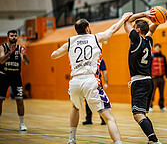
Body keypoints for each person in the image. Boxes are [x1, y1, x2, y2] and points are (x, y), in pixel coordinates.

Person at [51, 12, 133, 144]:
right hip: (90, 80)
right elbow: (112, 30)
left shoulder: (70, 42)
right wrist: (123, 18)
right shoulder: (95, 38)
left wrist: (64, 51)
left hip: (75, 82)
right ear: (87, 28)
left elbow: (54, 55)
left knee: (75, 107)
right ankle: (118, 142)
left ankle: (71, 139)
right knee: (109, 118)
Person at [124, 9, 162, 144]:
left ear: (138, 30)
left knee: (138, 114)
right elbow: (151, 29)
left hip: (140, 82)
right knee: (142, 114)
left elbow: (127, 21)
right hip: (147, 81)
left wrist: (145, 14)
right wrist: (158, 21)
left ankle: (154, 140)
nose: (132, 29)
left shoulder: (136, 40)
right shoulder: (149, 41)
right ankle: (152, 139)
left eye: (134, 28)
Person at [0, 30, 30, 131]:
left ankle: (22, 123)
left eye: (15, 36)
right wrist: (10, 53)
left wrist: (24, 55)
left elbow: (26, 63)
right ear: (8, 37)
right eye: (12, 36)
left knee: (20, 101)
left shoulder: (20, 48)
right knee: (0, 100)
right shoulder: (2, 47)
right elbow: (1, 60)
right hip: (3, 76)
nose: (14, 37)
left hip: (16, 77)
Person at [83, 58, 108, 125]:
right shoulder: (98, 59)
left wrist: (106, 82)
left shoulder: (98, 60)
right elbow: (104, 72)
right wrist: (106, 83)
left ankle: (102, 119)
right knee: (90, 100)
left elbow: (104, 71)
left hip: (94, 83)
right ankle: (89, 119)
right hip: (90, 82)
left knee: (96, 100)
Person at [149, 43, 167, 112]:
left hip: (161, 77)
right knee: (152, 92)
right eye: (156, 47)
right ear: (154, 48)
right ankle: (150, 106)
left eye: (159, 47)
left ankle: (162, 106)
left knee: (162, 92)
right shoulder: (151, 56)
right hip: (154, 78)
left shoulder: (163, 57)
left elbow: (166, 66)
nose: (157, 49)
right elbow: (149, 67)